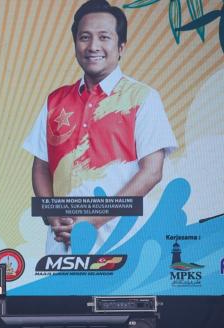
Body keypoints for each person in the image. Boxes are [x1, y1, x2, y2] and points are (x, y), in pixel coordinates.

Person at [23, 0, 177, 254]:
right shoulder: (55, 100)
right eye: (85, 37)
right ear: (75, 44)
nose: (93, 46)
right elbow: (41, 166)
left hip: (120, 244)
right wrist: (52, 214)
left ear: (121, 46)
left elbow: (152, 172)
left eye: (104, 37)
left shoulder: (143, 98)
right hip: (62, 245)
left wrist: (92, 221)